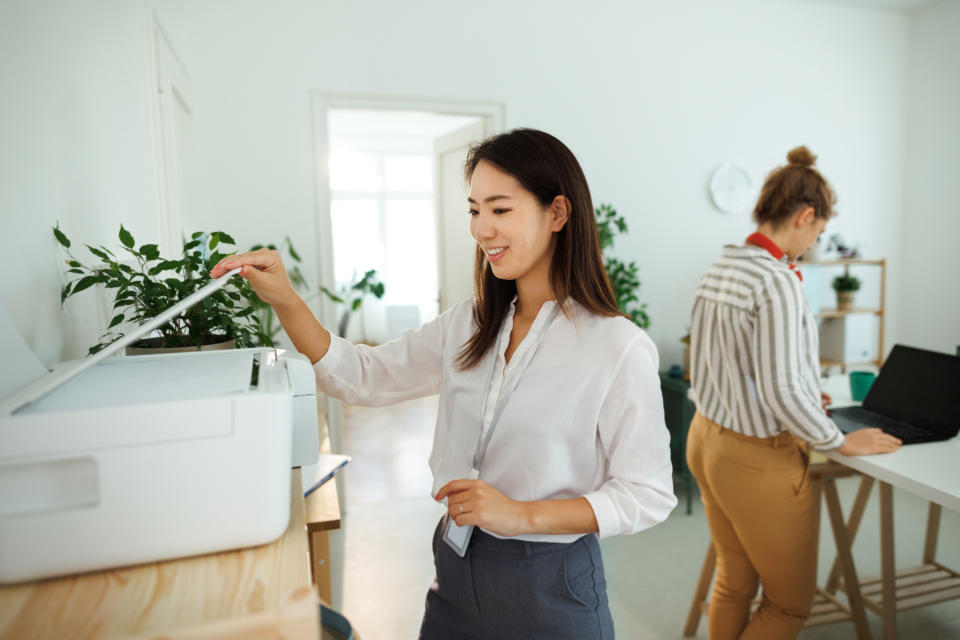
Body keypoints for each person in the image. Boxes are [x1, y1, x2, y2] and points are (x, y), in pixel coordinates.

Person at [211, 128, 676, 639]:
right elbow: (364, 377)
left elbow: (647, 494)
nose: (481, 229)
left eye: (500, 210)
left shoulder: (617, 347)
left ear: (558, 213)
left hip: (551, 587)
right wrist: (286, 300)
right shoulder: (470, 323)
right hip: (455, 570)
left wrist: (521, 515)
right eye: (474, 210)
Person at [685, 146, 902, 640]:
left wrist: (805, 393)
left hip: (707, 439)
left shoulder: (724, 265)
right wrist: (840, 440)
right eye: (818, 234)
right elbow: (781, 389)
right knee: (787, 606)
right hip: (754, 460)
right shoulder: (776, 280)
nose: (814, 245)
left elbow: (725, 362)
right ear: (805, 216)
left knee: (735, 584)